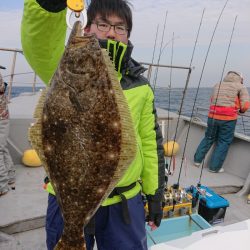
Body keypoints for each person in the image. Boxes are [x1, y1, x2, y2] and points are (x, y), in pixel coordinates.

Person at [21, 0, 165, 249]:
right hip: (67, 199)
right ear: (87, 27)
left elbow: (150, 143)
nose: (111, 32)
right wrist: (47, 6)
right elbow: (40, 44)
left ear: (128, 34)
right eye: (103, 24)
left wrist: (155, 194)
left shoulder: (140, 86)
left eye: (120, 27)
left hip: (124, 203)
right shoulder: (61, 66)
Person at [194, 71, 250, 173]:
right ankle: (214, 168)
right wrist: (241, 111)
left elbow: (212, 99)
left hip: (212, 117)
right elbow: (245, 105)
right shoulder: (241, 87)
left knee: (208, 138)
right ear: (240, 79)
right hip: (228, 120)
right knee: (223, 142)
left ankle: (197, 160)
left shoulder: (217, 85)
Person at [0, 68, 15, 196]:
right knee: (2, 148)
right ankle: (10, 177)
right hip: (3, 117)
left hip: (1, 118)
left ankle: (2, 186)